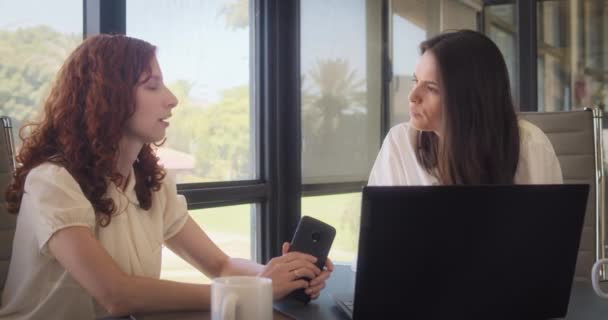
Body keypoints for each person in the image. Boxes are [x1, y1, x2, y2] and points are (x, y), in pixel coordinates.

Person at [0, 34, 332, 319]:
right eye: (152, 86)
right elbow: (116, 295)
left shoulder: (150, 184)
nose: (172, 99)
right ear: (107, 97)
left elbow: (221, 266)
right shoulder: (52, 181)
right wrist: (255, 290)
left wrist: (280, 275)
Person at [368, 30, 562, 186]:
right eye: (415, 81)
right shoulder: (400, 144)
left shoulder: (529, 145)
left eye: (431, 88)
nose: (413, 97)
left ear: (469, 99)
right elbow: (381, 232)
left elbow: (549, 230)